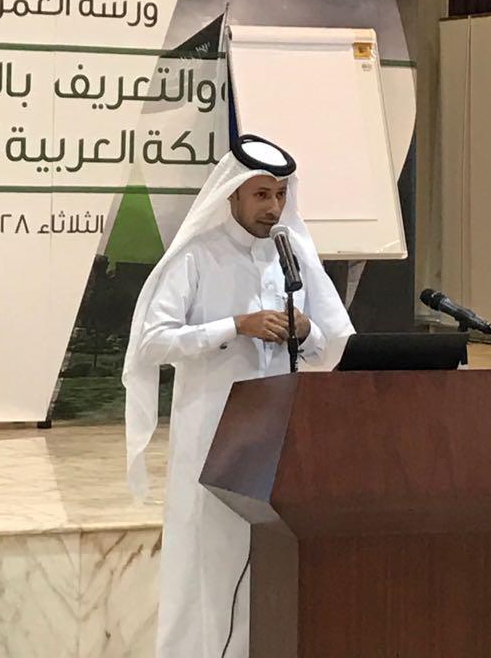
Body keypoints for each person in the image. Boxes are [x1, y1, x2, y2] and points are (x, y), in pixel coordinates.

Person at [123, 135, 355, 658]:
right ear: (232, 194)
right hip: (211, 437)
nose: (273, 207)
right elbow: (153, 342)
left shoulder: (292, 255)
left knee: (273, 564)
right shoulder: (197, 255)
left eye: (280, 195)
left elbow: (335, 346)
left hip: (281, 440)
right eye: (261, 195)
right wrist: (234, 326)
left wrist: (307, 331)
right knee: (208, 562)